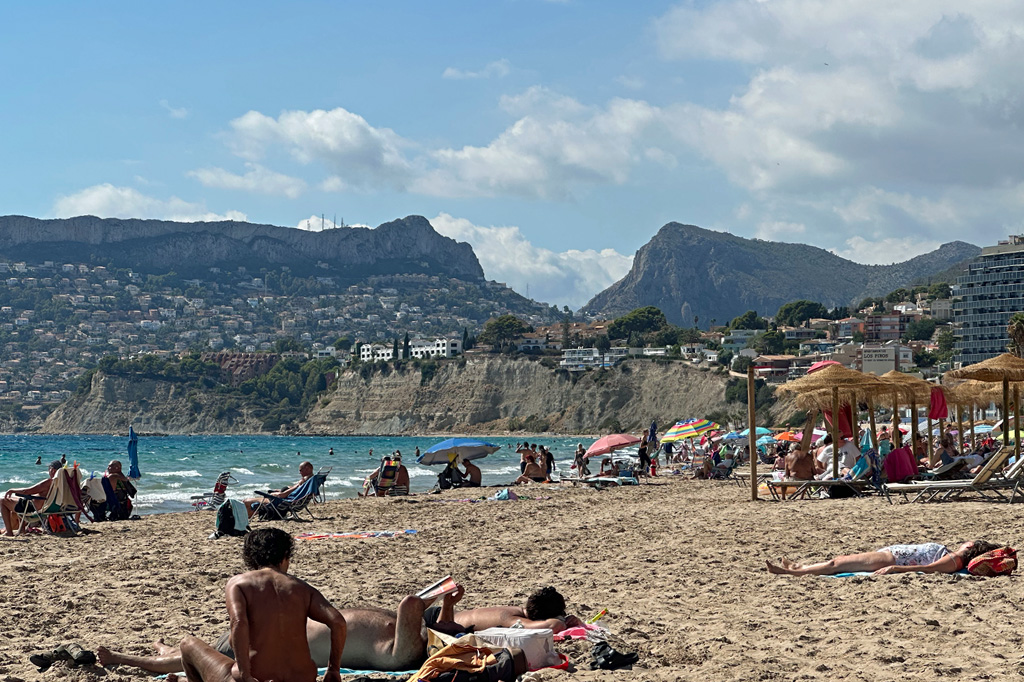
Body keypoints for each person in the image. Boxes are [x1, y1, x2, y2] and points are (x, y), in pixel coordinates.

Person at [98, 580, 480, 675]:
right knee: (200, 651)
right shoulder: (421, 637)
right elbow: (441, 623)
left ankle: (125, 659)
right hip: (280, 628)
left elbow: (410, 605)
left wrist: (433, 595)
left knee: (197, 655)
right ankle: (163, 651)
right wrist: (448, 602)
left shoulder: (403, 654)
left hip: (272, 642)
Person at [152, 528, 346, 682]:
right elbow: (338, 622)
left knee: (187, 644)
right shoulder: (302, 588)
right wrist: (333, 669)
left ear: (251, 557)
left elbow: (238, 623)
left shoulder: (240, 583)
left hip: (257, 679)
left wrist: (245, 675)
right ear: (285, 556)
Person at [766, 540, 1000, 576]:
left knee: (837, 563)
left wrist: (896, 569)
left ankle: (792, 572)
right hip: (891, 554)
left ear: (971, 547)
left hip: (890, 560)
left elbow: (928, 569)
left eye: (968, 542)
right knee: (839, 560)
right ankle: (800, 566)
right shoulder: (953, 557)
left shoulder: (954, 560)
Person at [451, 587, 582, 634]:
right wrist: (561, 620)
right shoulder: (511, 619)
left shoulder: (516, 611)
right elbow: (554, 626)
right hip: (442, 622)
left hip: (450, 615)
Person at [1, 460, 61, 536]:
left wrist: (12, 490)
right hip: (47, 507)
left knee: (2, 501)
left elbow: (27, 491)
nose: (48, 471)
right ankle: (22, 530)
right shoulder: (61, 483)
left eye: (49, 469)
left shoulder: (48, 482)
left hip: (33, 508)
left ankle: (9, 532)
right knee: (18, 500)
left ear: (53, 470)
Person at [243, 461, 314, 518]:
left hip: (281, 502)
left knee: (246, 501)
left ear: (307, 469)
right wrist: (284, 490)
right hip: (289, 501)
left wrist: (276, 494)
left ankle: (245, 520)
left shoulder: (303, 482)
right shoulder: (310, 481)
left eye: (301, 470)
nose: (300, 473)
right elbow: (295, 492)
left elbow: (282, 495)